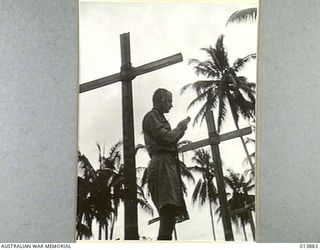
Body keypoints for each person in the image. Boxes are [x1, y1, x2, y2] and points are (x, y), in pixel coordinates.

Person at [142, 88, 190, 240]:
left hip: (167, 164)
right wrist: (180, 128)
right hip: (161, 163)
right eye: (169, 101)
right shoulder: (152, 116)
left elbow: (169, 138)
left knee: (171, 209)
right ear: (161, 100)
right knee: (168, 207)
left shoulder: (158, 117)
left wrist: (180, 130)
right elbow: (166, 138)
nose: (171, 105)